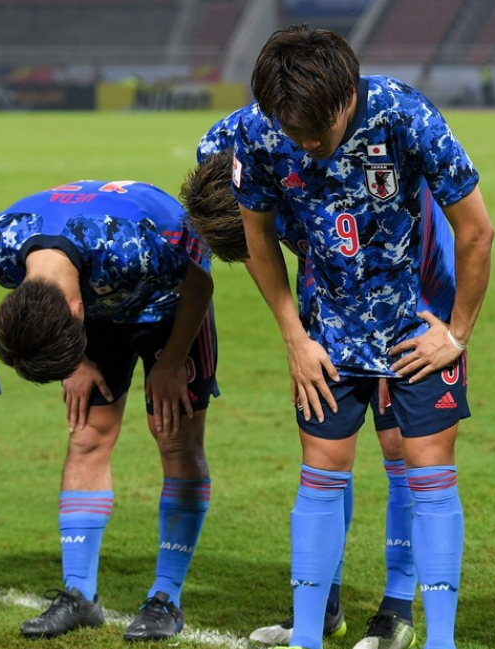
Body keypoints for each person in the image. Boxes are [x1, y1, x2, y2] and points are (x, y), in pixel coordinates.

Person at [227, 25, 494, 649]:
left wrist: (456, 334)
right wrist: (294, 337)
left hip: (415, 323)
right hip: (326, 332)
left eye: (318, 128)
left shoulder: (405, 114)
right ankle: (308, 637)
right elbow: (256, 238)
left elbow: (476, 231)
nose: (307, 142)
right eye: (294, 130)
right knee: (320, 473)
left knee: (429, 472)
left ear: (348, 93)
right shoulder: (258, 131)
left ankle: (440, 640)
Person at [185, 106, 460, 649]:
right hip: (328, 273)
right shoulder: (222, 148)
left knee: (400, 443)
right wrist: (297, 337)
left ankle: (397, 609)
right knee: (326, 440)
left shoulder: (352, 133)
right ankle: (324, 605)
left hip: (406, 265)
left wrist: (403, 323)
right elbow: (264, 244)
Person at [0, 180, 215, 641]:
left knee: (173, 435)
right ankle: (79, 595)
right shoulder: (0, 247)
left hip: (171, 302)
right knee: (86, 434)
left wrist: (171, 363)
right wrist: (76, 361)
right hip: (98, 304)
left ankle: (166, 598)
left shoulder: (129, 248)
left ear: (74, 310)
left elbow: (200, 286)